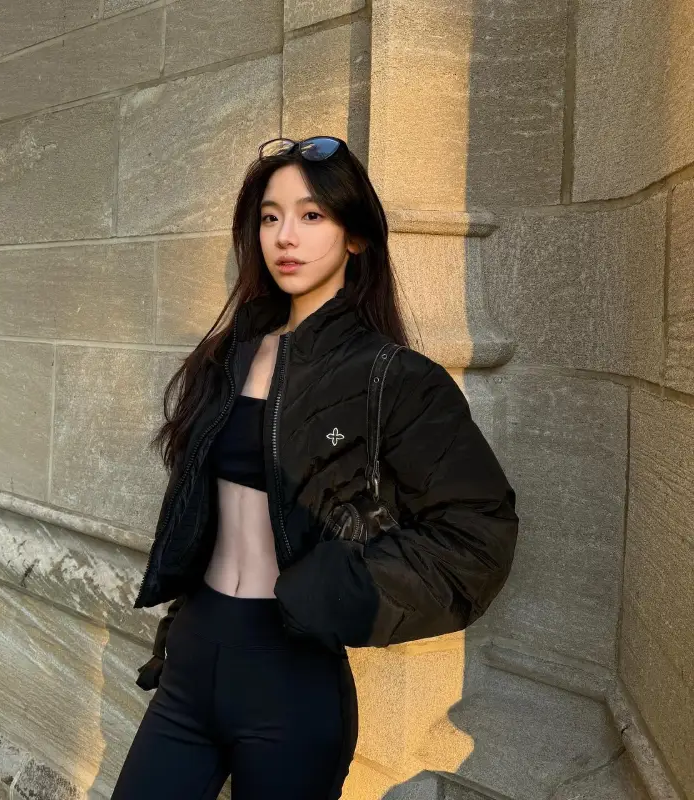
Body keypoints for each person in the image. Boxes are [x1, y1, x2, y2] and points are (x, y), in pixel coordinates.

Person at [111, 136, 519, 800]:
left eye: (311, 215)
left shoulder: (394, 378)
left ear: (354, 236)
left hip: (290, 681)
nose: (285, 237)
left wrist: (331, 589)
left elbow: (477, 535)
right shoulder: (226, 358)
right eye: (270, 217)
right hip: (192, 659)